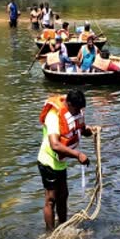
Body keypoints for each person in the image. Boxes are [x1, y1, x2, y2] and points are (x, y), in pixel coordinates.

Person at [38, 89, 95, 231]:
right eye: (76, 109)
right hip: (48, 161)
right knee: (51, 199)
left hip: (60, 164)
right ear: (68, 104)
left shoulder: (75, 112)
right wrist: (78, 155)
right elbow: (55, 145)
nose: (78, 112)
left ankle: (63, 227)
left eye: (80, 109)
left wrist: (92, 130)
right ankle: (51, 234)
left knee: (63, 196)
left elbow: (80, 129)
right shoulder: (54, 116)